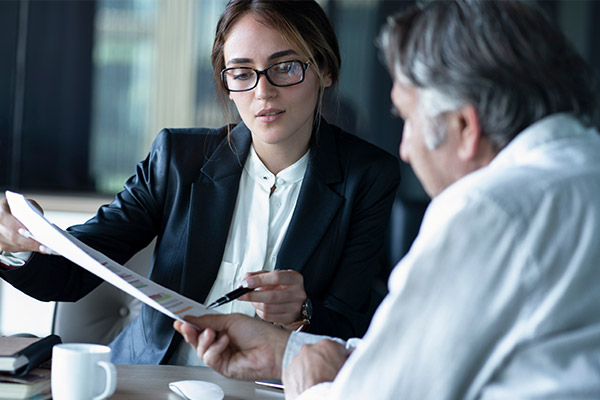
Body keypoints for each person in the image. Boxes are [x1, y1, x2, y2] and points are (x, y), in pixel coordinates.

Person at [174, 0, 600, 398]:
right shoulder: (583, 173)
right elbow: (426, 353)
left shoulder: (488, 210)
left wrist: (307, 383)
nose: (407, 149)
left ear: (465, 127)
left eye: (408, 119)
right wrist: (286, 353)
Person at [0, 0, 401, 365]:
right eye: (242, 72)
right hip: (150, 381)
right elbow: (74, 272)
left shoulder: (367, 177)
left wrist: (303, 312)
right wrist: (16, 243)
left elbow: (351, 325)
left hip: (275, 388)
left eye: (284, 67)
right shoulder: (177, 158)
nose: (263, 91)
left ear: (325, 70)